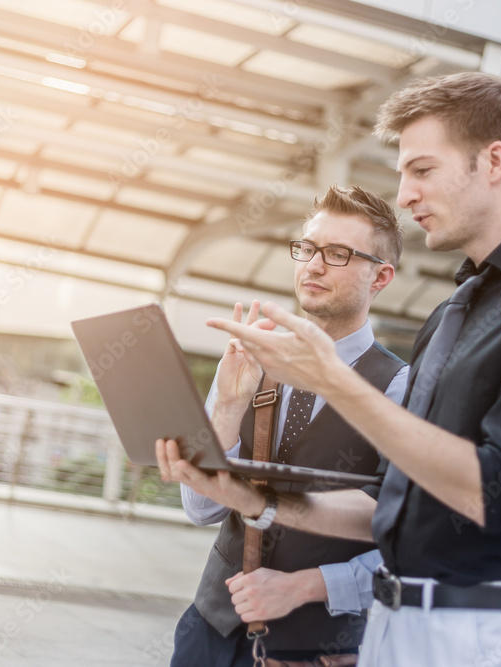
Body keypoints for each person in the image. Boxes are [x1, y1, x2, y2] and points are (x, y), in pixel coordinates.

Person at [158, 72, 501, 666]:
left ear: (493, 161)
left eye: (422, 170)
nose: (405, 194)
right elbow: (395, 505)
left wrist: (330, 379)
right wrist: (253, 499)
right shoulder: (452, 311)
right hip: (393, 624)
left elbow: (492, 492)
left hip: (485, 631)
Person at [171, 185, 410, 667]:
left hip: (315, 651)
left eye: (339, 253)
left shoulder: (399, 387)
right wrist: (228, 407)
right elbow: (201, 509)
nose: (314, 265)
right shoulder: (251, 354)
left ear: (380, 276)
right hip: (209, 631)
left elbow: (407, 540)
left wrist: (301, 587)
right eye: (307, 248)